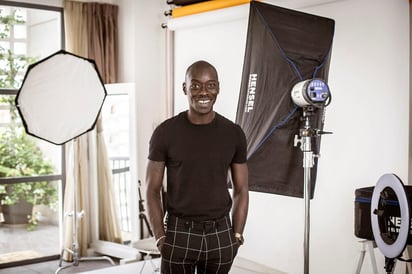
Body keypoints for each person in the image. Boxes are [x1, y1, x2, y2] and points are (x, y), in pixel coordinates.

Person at [145, 60, 249, 274]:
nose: (203, 92)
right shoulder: (165, 133)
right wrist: (161, 238)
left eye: (210, 85)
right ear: (185, 88)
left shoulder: (234, 133)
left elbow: (241, 189)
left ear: (218, 88)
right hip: (178, 233)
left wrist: (236, 235)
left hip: (220, 234)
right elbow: (151, 190)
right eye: (195, 85)